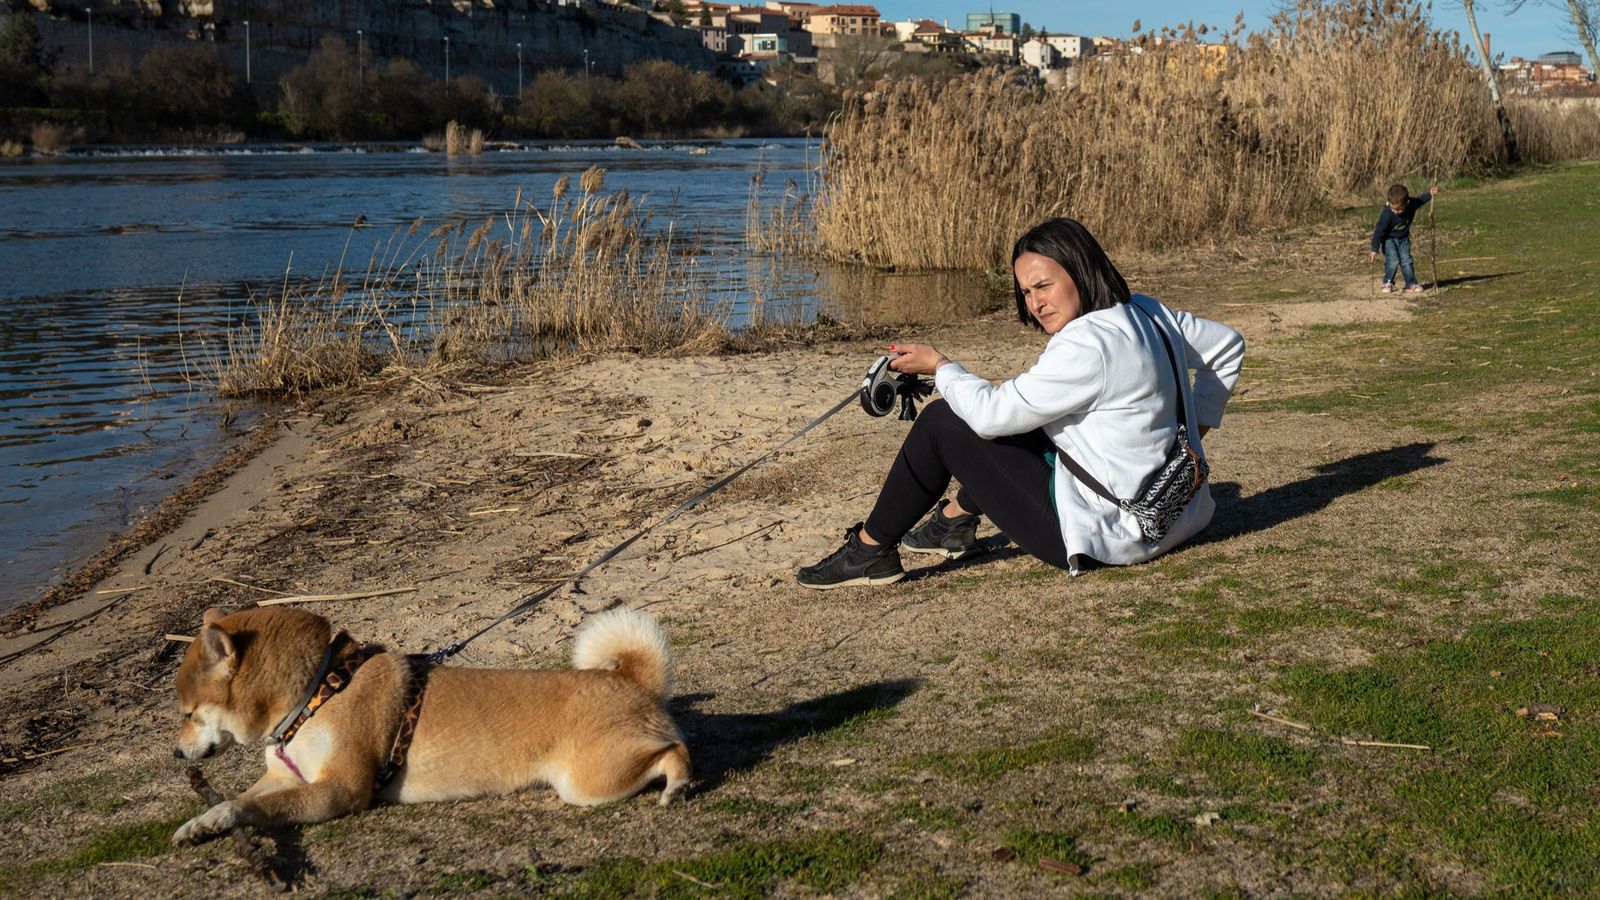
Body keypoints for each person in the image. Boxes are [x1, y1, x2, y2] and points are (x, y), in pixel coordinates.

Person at [796, 217, 1246, 589]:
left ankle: (870, 550)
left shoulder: (1088, 344)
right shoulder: (1148, 312)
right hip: (1179, 511)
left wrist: (939, 366)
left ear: (1080, 270)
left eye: (1043, 286)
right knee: (1026, 415)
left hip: (1112, 536)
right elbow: (1228, 345)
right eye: (1026, 292)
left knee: (942, 422)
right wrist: (1195, 436)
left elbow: (991, 416)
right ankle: (951, 522)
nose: (1035, 304)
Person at [1370, 182, 1438, 293]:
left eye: (1399, 210)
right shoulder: (1387, 214)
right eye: (1393, 209)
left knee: (1406, 260)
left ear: (1407, 203)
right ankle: (1388, 283)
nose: (1396, 212)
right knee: (1393, 260)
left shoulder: (1411, 204)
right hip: (1388, 240)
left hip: (1403, 239)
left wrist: (1430, 194)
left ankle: (1410, 284)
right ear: (1389, 203)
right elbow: (1379, 231)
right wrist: (1374, 248)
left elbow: (1420, 200)